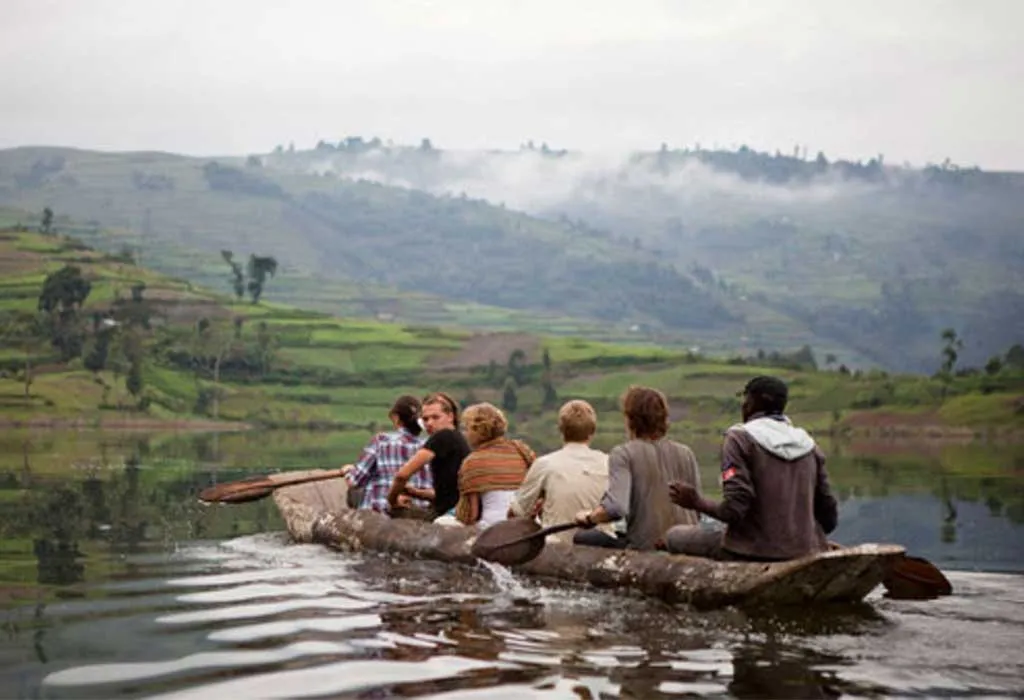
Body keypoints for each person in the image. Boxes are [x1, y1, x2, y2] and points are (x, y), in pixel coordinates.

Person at [664, 375, 838, 561]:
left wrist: (696, 502)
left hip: (751, 550)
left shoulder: (739, 438)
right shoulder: (808, 444)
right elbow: (829, 517)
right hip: (806, 549)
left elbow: (734, 510)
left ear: (751, 402)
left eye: (745, 399)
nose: (743, 405)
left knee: (674, 535)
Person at [572, 385, 702, 550]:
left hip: (647, 548)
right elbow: (698, 509)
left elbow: (616, 508)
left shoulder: (623, 454)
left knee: (583, 537)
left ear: (630, 420)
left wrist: (589, 518)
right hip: (687, 546)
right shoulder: (686, 453)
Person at [507, 399, 612, 544]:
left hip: (556, 549)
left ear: (561, 430)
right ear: (592, 431)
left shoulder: (545, 464)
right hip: (602, 548)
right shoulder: (609, 463)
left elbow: (516, 514)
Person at [387, 391, 471, 520]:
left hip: (447, 514)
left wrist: (392, 501)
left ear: (450, 416)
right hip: (457, 509)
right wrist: (416, 493)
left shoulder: (442, 436)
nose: (429, 423)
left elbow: (402, 475)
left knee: (394, 512)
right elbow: (448, 495)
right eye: (425, 419)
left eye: (435, 417)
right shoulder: (459, 438)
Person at [342, 395, 430, 513]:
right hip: (419, 513)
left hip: (380, 514)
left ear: (396, 418)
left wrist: (347, 471)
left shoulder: (381, 441)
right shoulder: (430, 446)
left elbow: (354, 482)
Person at [454, 402, 535, 528]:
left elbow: (471, 515)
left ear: (477, 431)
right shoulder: (521, 450)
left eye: (466, 429)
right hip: (527, 524)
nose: (464, 434)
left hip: (492, 525)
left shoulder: (472, 461)